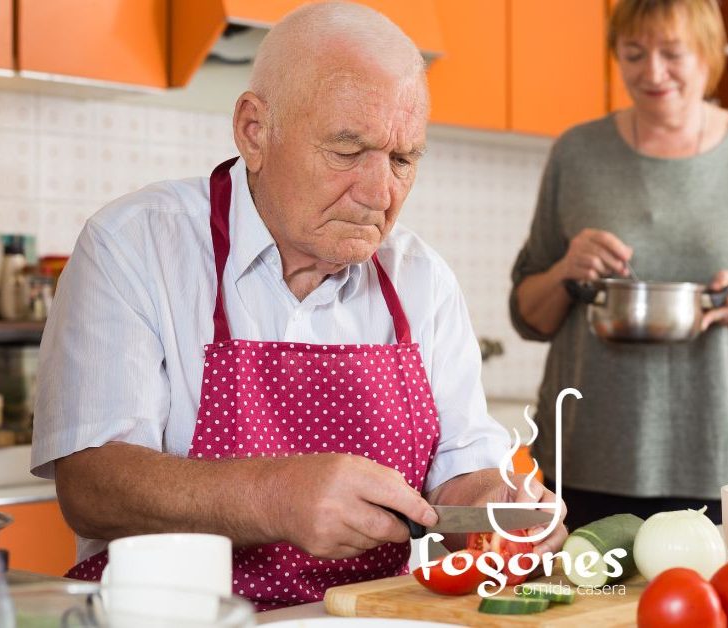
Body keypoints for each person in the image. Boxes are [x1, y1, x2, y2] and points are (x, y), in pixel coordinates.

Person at [30, 2, 565, 611]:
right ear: (255, 131)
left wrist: (503, 506)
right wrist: (275, 495)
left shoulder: (422, 279)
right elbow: (92, 485)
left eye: (402, 159)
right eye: (346, 150)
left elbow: (461, 471)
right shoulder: (135, 245)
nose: (380, 193)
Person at [510, 0, 728, 531]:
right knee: (588, 612)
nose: (652, 72)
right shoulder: (576, 152)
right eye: (633, 54)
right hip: (587, 454)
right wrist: (568, 267)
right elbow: (528, 313)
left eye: (672, 53)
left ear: (708, 54)